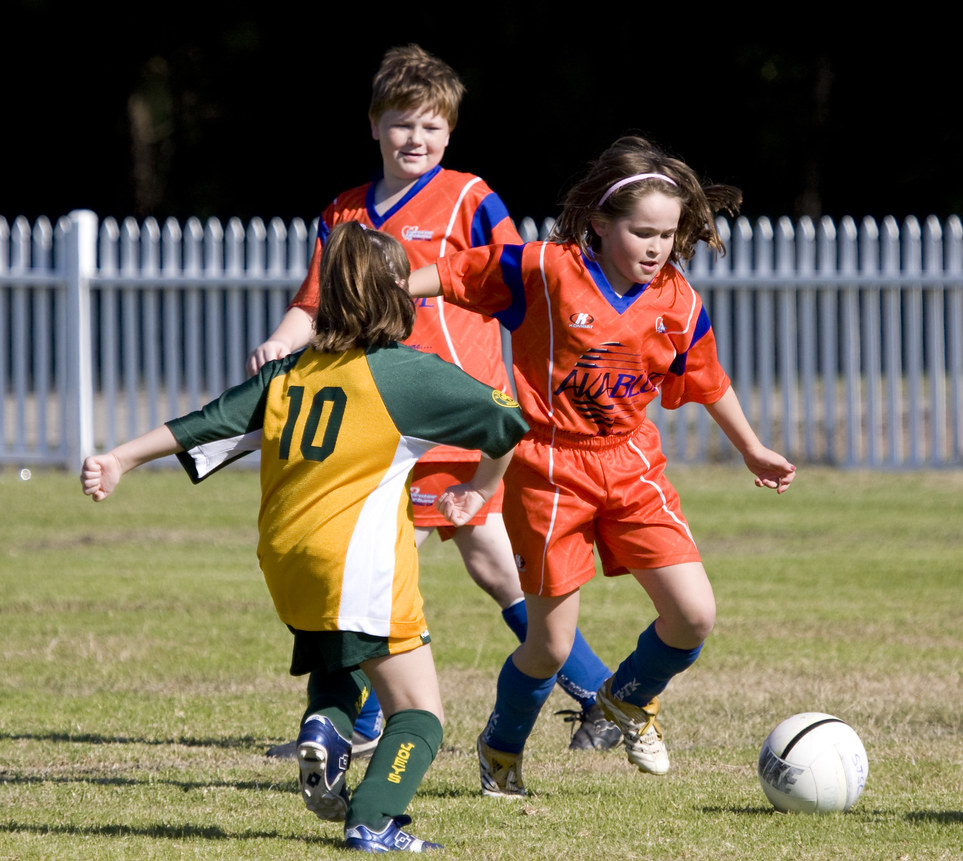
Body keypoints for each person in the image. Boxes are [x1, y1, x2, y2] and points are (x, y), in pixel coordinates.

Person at [81, 222, 529, 852]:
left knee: (340, 666)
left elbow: (206, 423)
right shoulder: (405, 374)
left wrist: (120, 458)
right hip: (357, 565)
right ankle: (373, 819)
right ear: (398, 295)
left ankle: (324, 728)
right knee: (419, 715)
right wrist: (480, 490)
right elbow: (508, 419)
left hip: (287, 560)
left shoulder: (289, 372)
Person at [248, 44, 620, 754]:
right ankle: (600, 695)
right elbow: (315, 300)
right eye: (401, 123)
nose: (415, 139)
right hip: (377, 419)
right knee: (490, 566)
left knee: (367, 572)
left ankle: (354, 723)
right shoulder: (344, 211)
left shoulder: (470, 198)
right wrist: (279, 341)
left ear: (450, 132)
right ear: (374, 125)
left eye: (431, 126)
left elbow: (517, 279)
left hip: (445, 415)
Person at [408, 136, 797, 797]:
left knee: (693, 615)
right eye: (642, 232)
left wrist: (751, 447)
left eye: (667, 235)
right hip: (548, 466)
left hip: (630, 463)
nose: (656, 247)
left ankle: (627, 696)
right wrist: (391, 289)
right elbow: (455, 273)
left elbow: (707, 379)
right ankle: (501, 749)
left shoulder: (676, 299)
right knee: (550, 646)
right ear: (599, 222)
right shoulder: (546, 269)